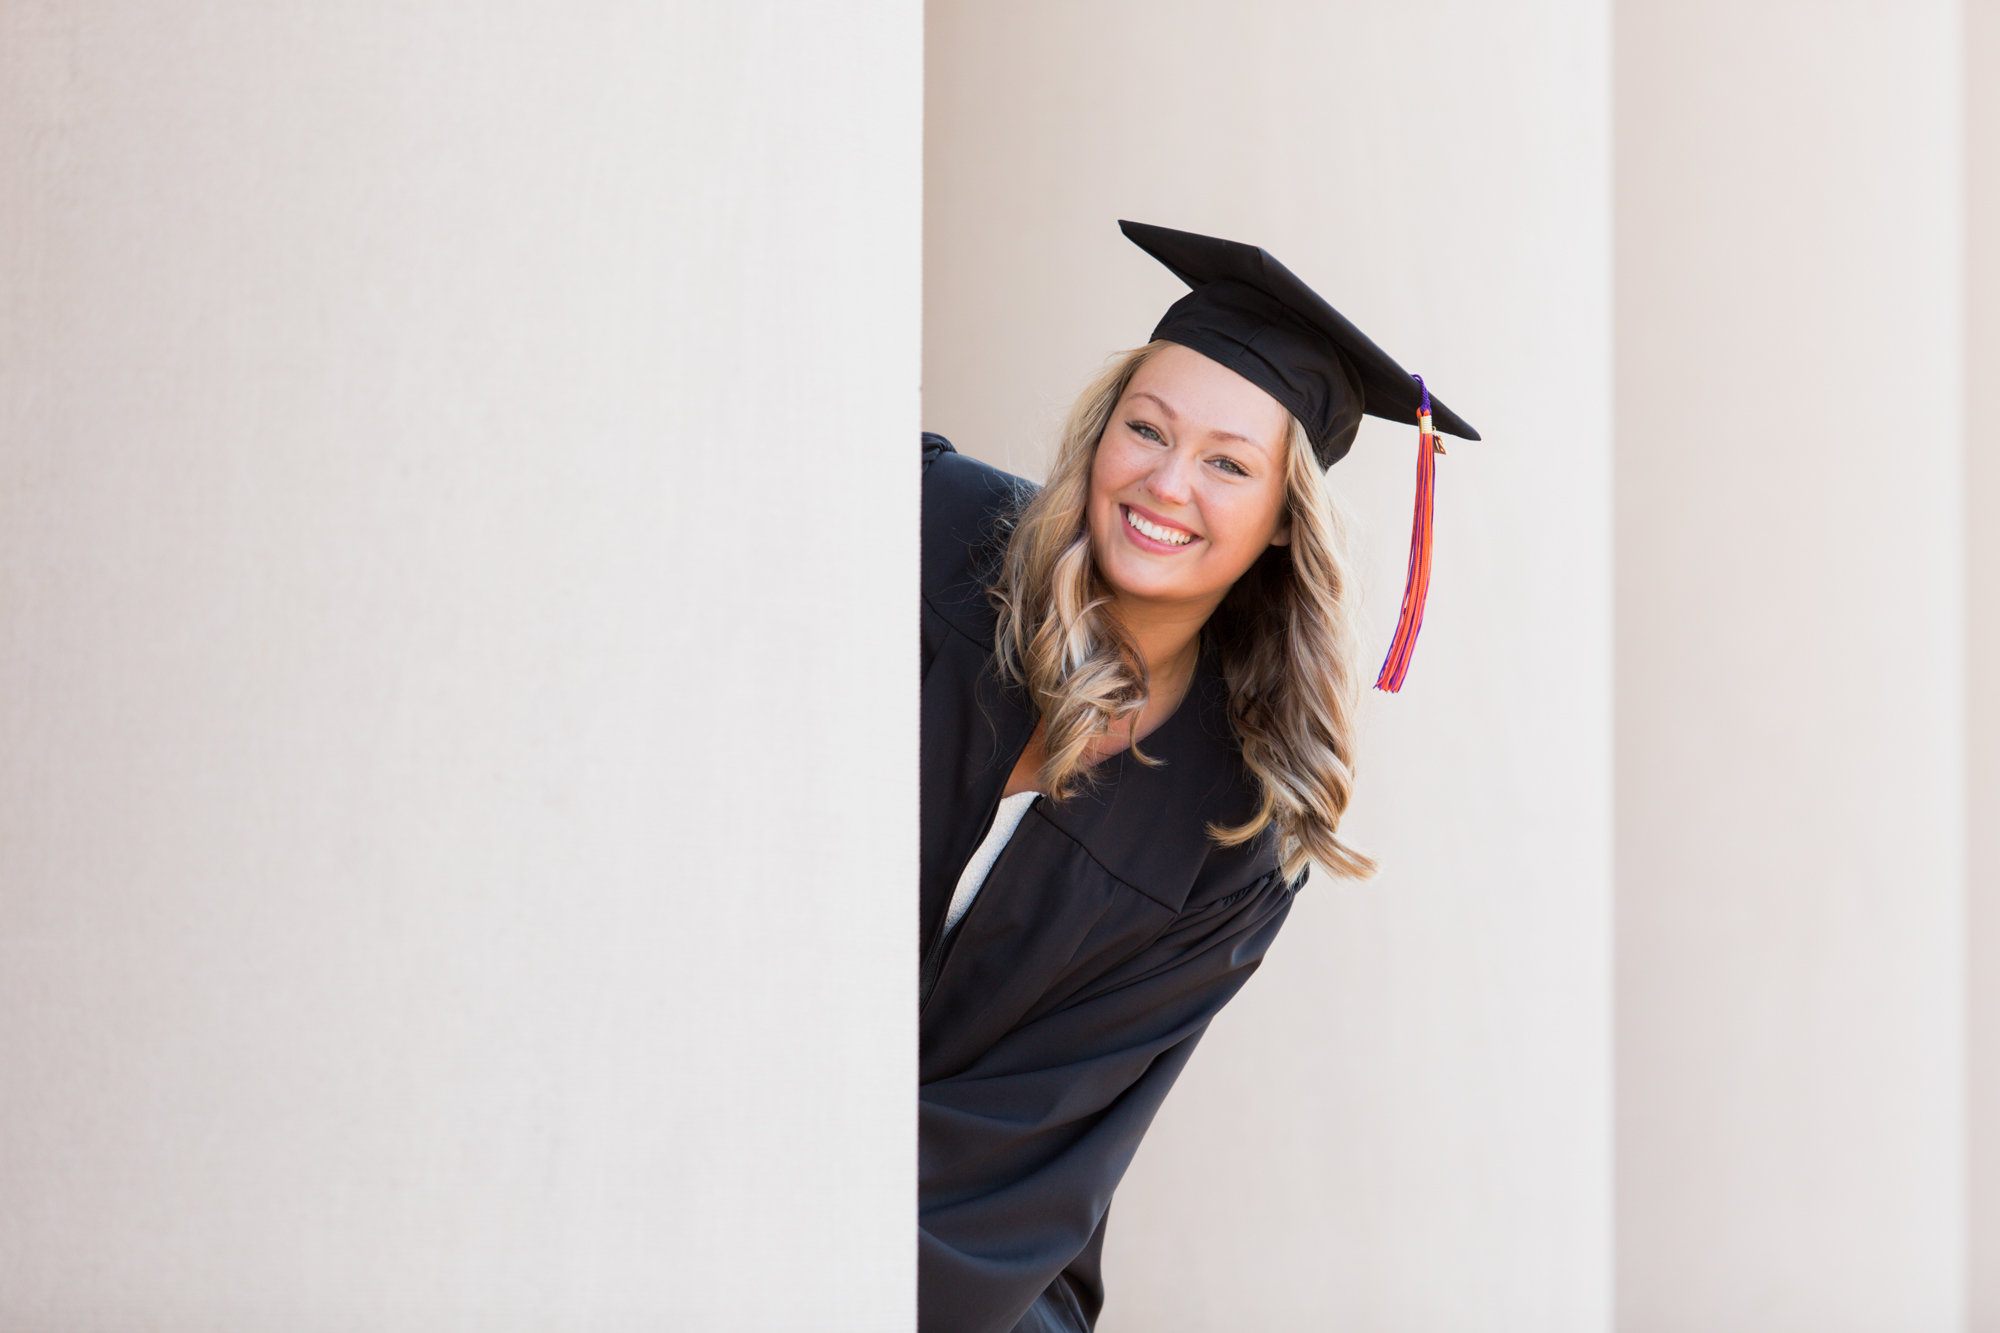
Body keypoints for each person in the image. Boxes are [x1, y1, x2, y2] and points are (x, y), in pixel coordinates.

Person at [919, 221, 1479, 1333]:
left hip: (961, 1255)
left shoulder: (1237, 830)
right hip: (712, 1122)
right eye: (1145, 429)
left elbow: (1041, 1126)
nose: (1164, 483)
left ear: (1281, 523)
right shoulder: (934, 536)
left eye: (1227, 463)